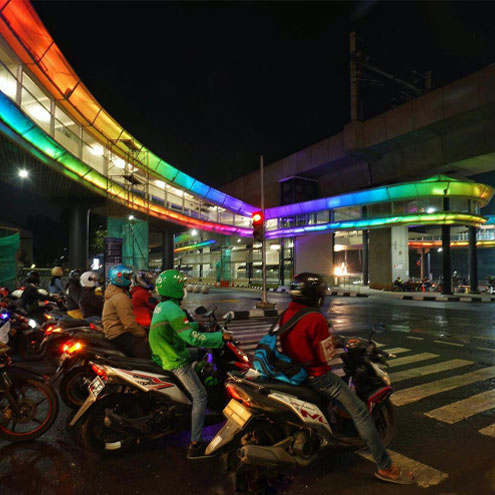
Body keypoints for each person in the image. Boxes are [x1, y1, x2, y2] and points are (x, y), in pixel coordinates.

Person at [280, 273, 414, 484]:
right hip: (317, 376)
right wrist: (336, 343)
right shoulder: (315, 318)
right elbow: (325, 355)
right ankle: (386, 467)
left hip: (294, 372)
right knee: (361, 411)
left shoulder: (288, 313)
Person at [149, 269, 229, 459]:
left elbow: (180, 328)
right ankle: (195, 444)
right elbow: (192, 339)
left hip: (166, 353)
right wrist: (219, 337)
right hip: (173, 360)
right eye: (182, 285)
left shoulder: (164, 306)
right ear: (174, 288)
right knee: (200, 396)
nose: (184, 288)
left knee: (201, 355)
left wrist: (199, 325)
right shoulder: (173, 309)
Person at [102, 264, 150, 358]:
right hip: (119, 335)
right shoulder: (121, 297)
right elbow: (129, 324)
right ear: (119, 277)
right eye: (127, 276)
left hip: (113, 333)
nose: (130, 279)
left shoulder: (113, 293)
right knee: (146, 352)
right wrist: (143, 333)